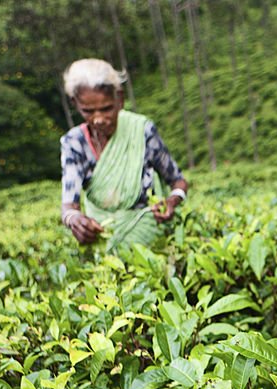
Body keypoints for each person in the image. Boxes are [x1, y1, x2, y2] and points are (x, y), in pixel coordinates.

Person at [59, 58, 188, 250]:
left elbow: (178, 182)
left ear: (119, 98)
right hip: (102, 242)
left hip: (150, 240)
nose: (99, 119)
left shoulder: (142, 131)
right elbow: (69, 206)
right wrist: (75, 220)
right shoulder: (74, 143)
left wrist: (171, 201)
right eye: (88, 111)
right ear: (75, 103)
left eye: (106, 108)